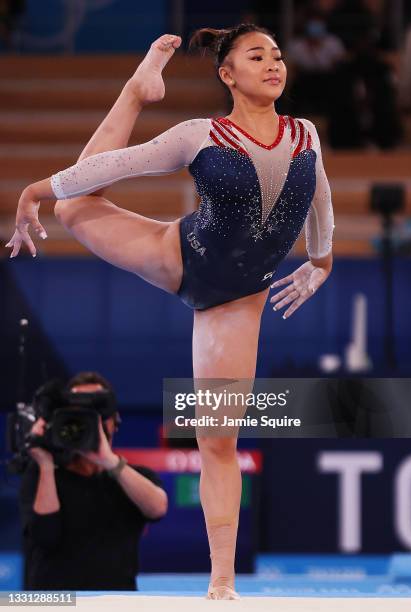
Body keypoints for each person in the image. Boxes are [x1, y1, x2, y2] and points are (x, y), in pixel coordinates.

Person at [8, 25, 334, 599]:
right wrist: (35, 189)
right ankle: (138, 89)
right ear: (227, 74)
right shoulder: (199, 135)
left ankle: (223, 580)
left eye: (278, 55)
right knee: (73, 205)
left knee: (218, 441)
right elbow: (112, 167)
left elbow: (319, 194)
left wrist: (321, 259)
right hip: (177, 256)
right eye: (256, 56)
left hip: (233, 302)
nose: (273, 64)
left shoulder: (305, 133)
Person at [19, 372, 168, 591]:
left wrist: (108, 461)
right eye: (77, 412)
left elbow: (157, 508)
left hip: (116, 602)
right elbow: (44, 537)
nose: (86, 420)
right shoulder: (41, 473)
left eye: (97, 411)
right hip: (55, 602)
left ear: (114, 422)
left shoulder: (132, 477)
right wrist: (46, 464)